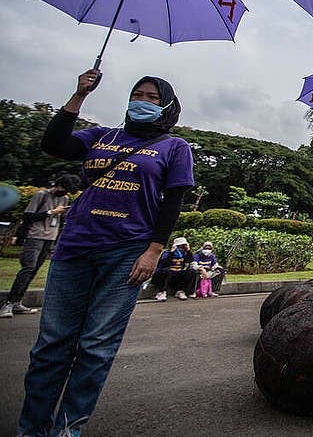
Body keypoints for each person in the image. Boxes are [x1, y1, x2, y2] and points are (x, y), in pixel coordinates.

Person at [17, 69, 193, 437]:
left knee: (95, 347)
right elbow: (54, 145)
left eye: (152, 97)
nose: (142, 101)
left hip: (127, 252)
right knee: (51, 346)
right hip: (75, 246)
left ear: (167, 106)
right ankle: (32, 429)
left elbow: (173, 203)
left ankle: (68, 429)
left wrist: (153, 251)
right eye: (137, 94)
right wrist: (79, 95)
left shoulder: (174, 147)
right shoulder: (103, 136)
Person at [2, 174, 79, 318]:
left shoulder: (64, 198)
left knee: (34, 270)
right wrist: (51, 212)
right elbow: (28, 216)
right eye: (65, 188)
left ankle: (18, 302)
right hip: (34, 236)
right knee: (28, 268)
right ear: (59, 185)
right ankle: (9, 303)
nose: (65, 192)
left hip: (49, 237)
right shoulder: (41, 195)